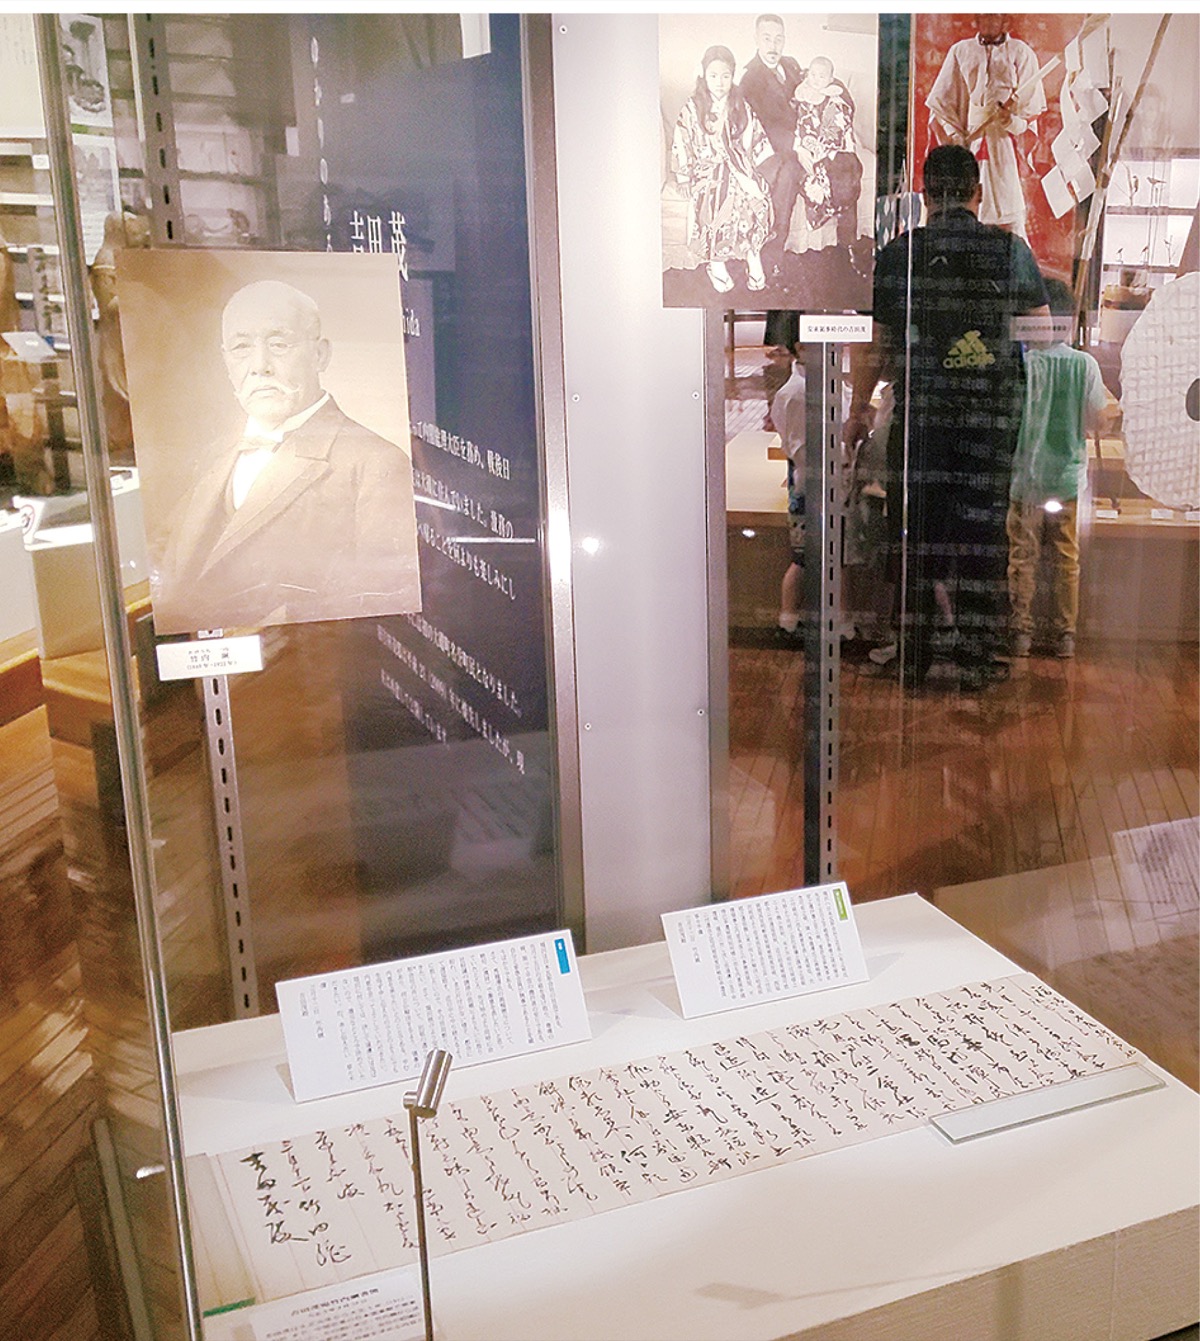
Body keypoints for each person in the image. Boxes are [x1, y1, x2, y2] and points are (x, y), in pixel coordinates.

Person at [843, 144, 1049, 689]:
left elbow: (876, 341)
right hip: (988, 421)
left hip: (923, 418)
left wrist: (860, 408)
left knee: (917, 533)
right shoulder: (1009, 250)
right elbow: (1042, 331)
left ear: (925, 194)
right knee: (981, 537)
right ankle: (977, 659)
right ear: (978, 193)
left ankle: (914, 657)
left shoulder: (900, 254)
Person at [152, 279, 421, 634]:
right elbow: (168, 564)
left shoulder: (376, 465)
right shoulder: (215, 456)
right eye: (241, 347)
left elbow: (381, 606)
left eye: (279, 344)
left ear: (320, 355)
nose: (259, 365)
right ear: (226, 360)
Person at [1007, 278, 1111, 659]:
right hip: (1067, 479)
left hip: (1025, 479)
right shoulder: (1085, 365)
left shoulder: (1023, 365)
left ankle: (1021, 631)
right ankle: (1066, 633)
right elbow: (1099, 422)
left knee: (1023, 557)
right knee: (1068, 559)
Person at [926, 14, 1046, 239]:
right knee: (964, 211)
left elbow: (1029, 116)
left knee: (1008, 211)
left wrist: (1008, 120)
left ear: (1005, 21)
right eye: (984, 16)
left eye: (994, 17)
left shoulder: (1021, 53)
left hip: (1004, 146)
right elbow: (942, 104)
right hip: (969, 143)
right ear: (976, 20)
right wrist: (955, 137)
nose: (989, 22)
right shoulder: (960, 51)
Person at [670, 46, 773, 295]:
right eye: (714, 76)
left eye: (726, 76)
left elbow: (752, 136)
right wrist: (683, 176)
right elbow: (682, 140)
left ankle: (752, 253)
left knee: (755, 194)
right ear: (704, 75)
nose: (719, 82)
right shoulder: (694, 106)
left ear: (732, 76)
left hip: (737, 164)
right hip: (707, 169)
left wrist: (755, 168)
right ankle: (716, 261)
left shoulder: (739, 104)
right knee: (720, 195)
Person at [739, 14, 803, 274]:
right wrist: (798, 144)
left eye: (778, 39)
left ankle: (849, 246)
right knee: (788, 173)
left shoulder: (791, 66)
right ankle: (772, 255)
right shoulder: (749, 79)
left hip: (801, 144)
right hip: (773, 151)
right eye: (767, 39)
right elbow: (761, 129)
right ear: (756, 39)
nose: (773, 46)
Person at [791, 57, 862, 252]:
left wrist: (826, 149)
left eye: (821, 76)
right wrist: (801, 147)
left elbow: (841, 125)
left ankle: (847, 241)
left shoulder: (837, 98)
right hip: (810, 150)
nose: (815, 79)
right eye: (812, 74)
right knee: (813, 177)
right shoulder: (803, 96)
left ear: (831, 79)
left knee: (846, 179)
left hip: (837, 151)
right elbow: (799, 125)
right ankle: (821, 225)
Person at [770, 346, 806, 637]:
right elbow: (798, 449)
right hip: (808, 485)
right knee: (802, 556)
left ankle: (843, 624)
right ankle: (788, 621)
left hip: (823, 481)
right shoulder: (795, 392)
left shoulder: (807, 386)